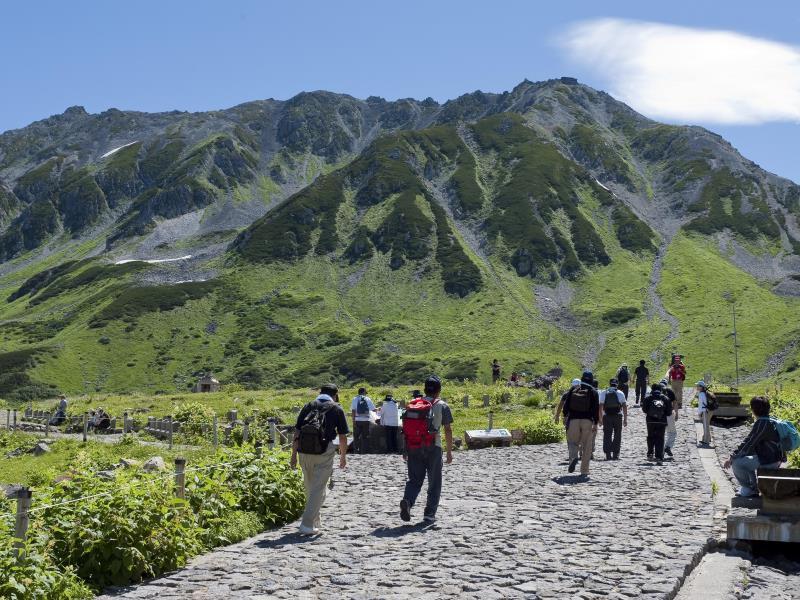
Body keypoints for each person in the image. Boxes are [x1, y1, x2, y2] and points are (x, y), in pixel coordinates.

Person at [290, 384, 349, 535]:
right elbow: (342, 436)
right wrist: (343, 456)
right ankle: (306, 524)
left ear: (320, 392)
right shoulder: (336, 408)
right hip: (324, 452)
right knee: (318, 488)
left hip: (304, 452)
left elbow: (297, 432)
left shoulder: (308, 406)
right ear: (335, 395)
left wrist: (293, 455)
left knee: (310, 488)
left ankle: (315, 520)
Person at [400, 375, 453, 524]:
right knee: (434, 482)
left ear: (424, 389)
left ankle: (408, 501)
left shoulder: (414, 404)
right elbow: (448, 429)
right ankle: (429, 514)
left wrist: (405, 449)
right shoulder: (442, 405)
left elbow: (406, 429)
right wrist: (449, 451)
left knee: (414, 480)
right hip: (433, 446)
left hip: (413, 446)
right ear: (439, 390)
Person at [723, 396, 785, 497]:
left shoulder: (762, 423)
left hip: (769, 460)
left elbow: (749, 443)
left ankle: (749, 489)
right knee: (746, 460)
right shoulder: (770, 420)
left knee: (737, 463)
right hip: (774, 458)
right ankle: (753, 488)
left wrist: (732, 457)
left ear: (753, 410)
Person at [562, 371, 599, 477]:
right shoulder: (593, 392)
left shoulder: (573, 389)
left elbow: (566, 406)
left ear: (582, 378)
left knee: (572, 442)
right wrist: (595, 423)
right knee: (587, 445)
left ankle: (574, 458)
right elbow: (596, 409)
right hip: (587, 421)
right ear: (591, 380)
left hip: (573, 420)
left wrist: (565, 417)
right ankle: (584, 470)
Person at [642, 383, 673, 465]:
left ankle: (650, 453)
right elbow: (669, 412)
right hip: (661, 421)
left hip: (650, 421)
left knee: (650, 436)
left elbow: (644, 410)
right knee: (660, 438)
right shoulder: (665, 398)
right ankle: (659, 457)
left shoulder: (648, 398)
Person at [599, 378, 628, 460]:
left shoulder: (604, 393)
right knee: (617, 434)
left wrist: (600, 418)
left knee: (607, 435)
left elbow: (600, 406)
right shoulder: (620, 393)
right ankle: (615, 454)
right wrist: (625, 419)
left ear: (609, 384)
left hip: (607, 416)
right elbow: (624, 406)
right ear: (617, 384)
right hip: (618, 416)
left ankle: (608, 454)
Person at [350, 387, 375, 454]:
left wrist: (353, 421)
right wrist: (378, 409)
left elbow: (353, 410)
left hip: (357, 420)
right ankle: (364, 451)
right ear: (364, 392)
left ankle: (356, 451)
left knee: (356, 437)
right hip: (366, 420)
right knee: (365, 436)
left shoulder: (355, 399)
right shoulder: (367, 399)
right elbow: (373, 409)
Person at [659, 379, 678, 458]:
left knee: (660, 434)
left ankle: (660, 450)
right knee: (672, 433)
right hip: (669, 414)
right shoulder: (669, 391)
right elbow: (675, 402)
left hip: (658, 416)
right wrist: (676, 413)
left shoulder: (655, 392)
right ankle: (668, 447)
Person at [694, 381, 714, 447]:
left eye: (697, 386)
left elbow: (701, 405)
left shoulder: (701, 394)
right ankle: (708, 438)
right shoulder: (705, 393)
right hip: (709, 411)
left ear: (701, 387)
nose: (696, 387)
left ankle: (706, 440)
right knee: (707, 425)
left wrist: (699, 413)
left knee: (705, 426)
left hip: (705, 411)